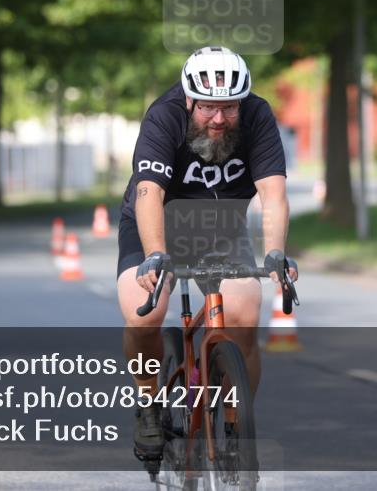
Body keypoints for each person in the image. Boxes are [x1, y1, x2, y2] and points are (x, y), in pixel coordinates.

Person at [116, 46, 299, 461]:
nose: (219, 119)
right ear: (188, 99)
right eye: (208, 108)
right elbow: (148, 192)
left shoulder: (257, 116)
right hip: (155, 225)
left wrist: (275, 253)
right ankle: (148, 404)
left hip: (220, 228)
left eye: (229, 108)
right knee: (143, 313)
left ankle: (235, 424)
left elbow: (273, 191)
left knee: (244, 314)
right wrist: (155, 255)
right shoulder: (164, 116)